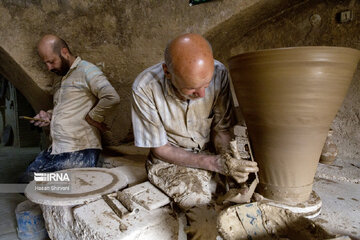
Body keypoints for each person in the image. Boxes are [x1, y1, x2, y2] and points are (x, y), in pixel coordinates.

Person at [131, 33, 258, 211]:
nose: (202, 95)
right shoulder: (145, 88)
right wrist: (214, 163)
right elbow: (161, 148)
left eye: (206, 85)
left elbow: (222, 129)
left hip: (210, 149)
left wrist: (228, 159)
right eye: (191, 89)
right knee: (200, 204)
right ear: (167, 72)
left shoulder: (219, 72)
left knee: (248, 188)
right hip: (171, 159)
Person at [23, 34, 120, 181]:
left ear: (64, 52)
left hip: (80, 150)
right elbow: (66, 108)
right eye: (46, 63)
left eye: (51, 62)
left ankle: (73, 191)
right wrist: (49, 116)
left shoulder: (87, 70)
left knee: (37, 183)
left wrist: (93, 117)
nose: (48, 68)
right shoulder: (60, 78)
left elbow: (111, 97)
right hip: (58, 148)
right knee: (24, 180)